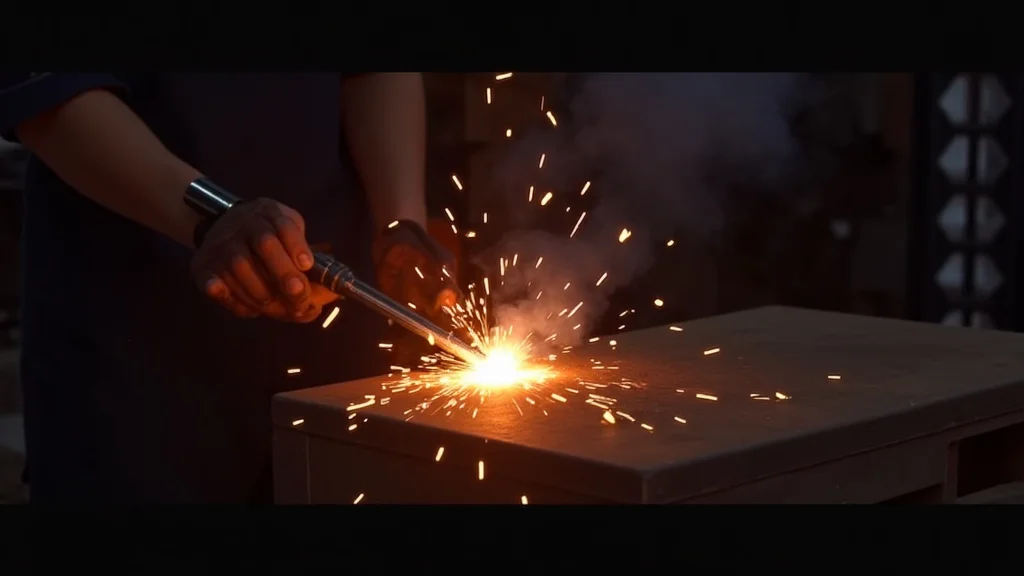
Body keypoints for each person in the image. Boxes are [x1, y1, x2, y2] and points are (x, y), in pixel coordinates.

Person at [0, 73, 459, 503]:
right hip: (135, 347)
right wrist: (210, 217)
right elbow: (50, 92)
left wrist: (400, 221)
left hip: (335, 349)